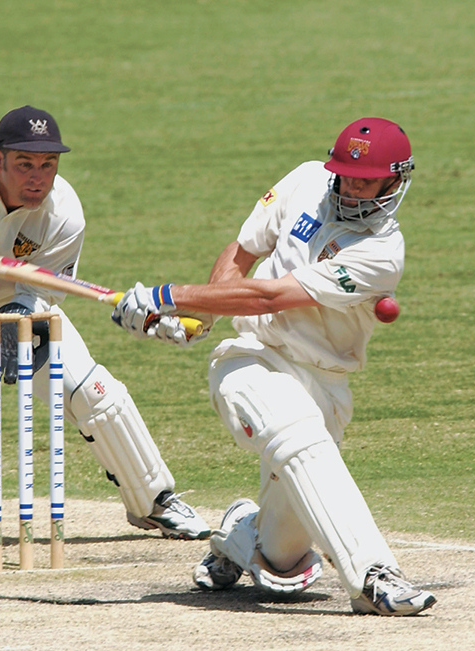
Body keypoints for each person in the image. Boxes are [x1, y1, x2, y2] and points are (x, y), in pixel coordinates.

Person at [112, 118, 437, 616]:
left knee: (283, 563)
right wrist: (201, 315)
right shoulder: (307, 179)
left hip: (325, 381)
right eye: (347, 176)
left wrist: (167, 297)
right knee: (295, 428)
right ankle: (375, 577)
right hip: (252, 359)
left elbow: (268, 294)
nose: (352, 188)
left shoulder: (380, 253)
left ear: (396, 180)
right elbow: (241, 254)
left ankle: (241, 534)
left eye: (366, 181)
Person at [0, 105, 210, 555]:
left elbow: (45, 289)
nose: (37, 177)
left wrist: (15, 319)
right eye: (24, 163)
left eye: (48, 164)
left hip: (11, 301)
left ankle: (155, 500)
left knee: (92, 392)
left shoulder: (64, 212)